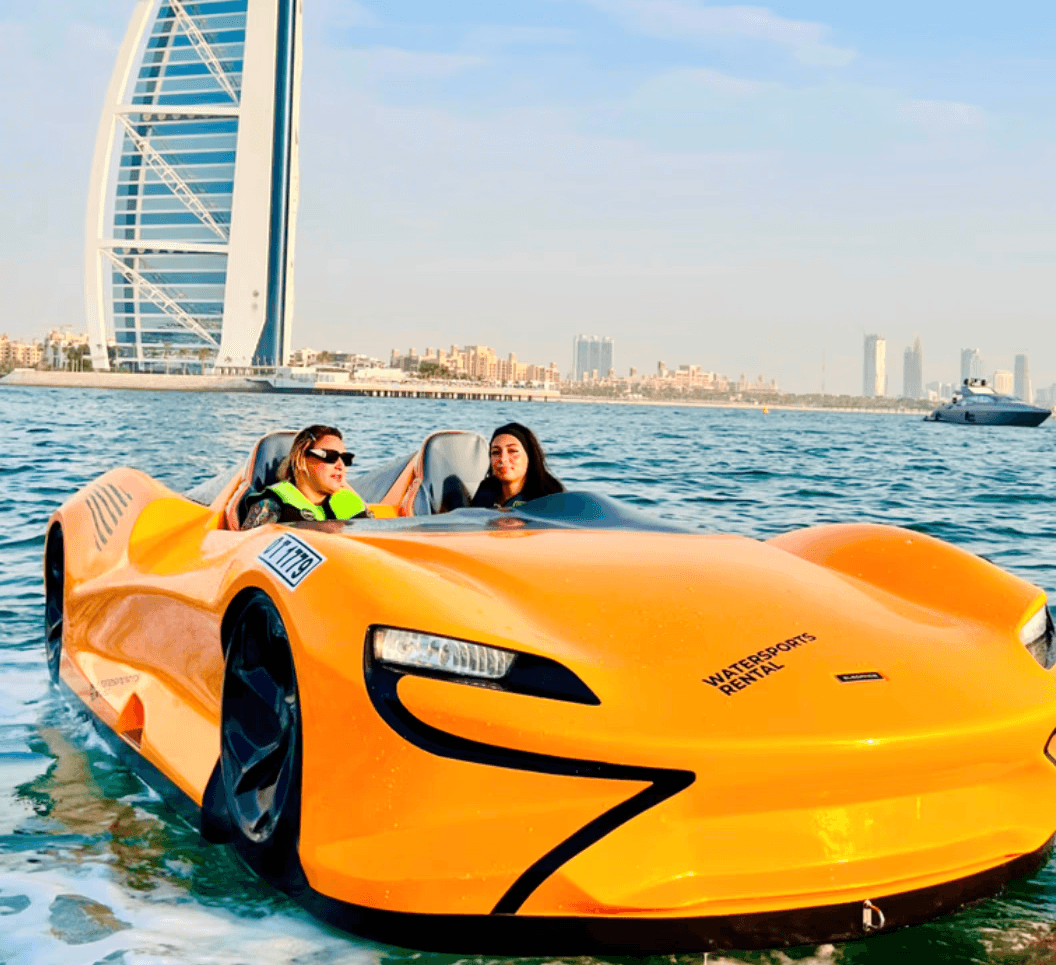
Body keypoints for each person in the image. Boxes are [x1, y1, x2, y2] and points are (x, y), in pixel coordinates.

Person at [241, 425, 371, 528]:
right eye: (330, 456)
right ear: (301, 460)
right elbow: (247, 552)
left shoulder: (351, 502)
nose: (340, 465)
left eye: (345, 458)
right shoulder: (271, 505)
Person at [470, 423, 564, 509]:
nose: (503, 459)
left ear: (529, 456)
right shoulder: (486, 491)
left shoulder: (549, 497)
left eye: (512, 451)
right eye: (496, 452)